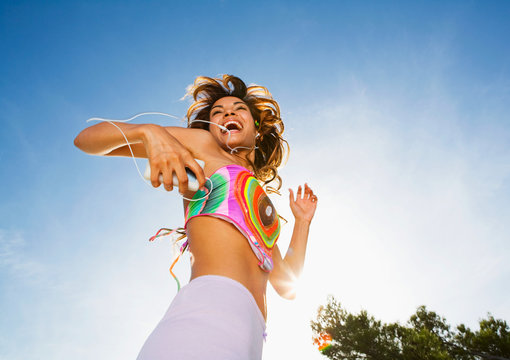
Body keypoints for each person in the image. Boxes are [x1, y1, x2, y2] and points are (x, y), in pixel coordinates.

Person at [74, 75, 318, 359]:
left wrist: (302, 223)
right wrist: (149, 132)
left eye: (238, 108)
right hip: (206, 313)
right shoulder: (205, 146)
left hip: (253, 336)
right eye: (217, 111)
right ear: (212, 128)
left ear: (257, 129)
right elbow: (86, 140)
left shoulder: (261, 208)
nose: (227, 112)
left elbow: (286, 286)